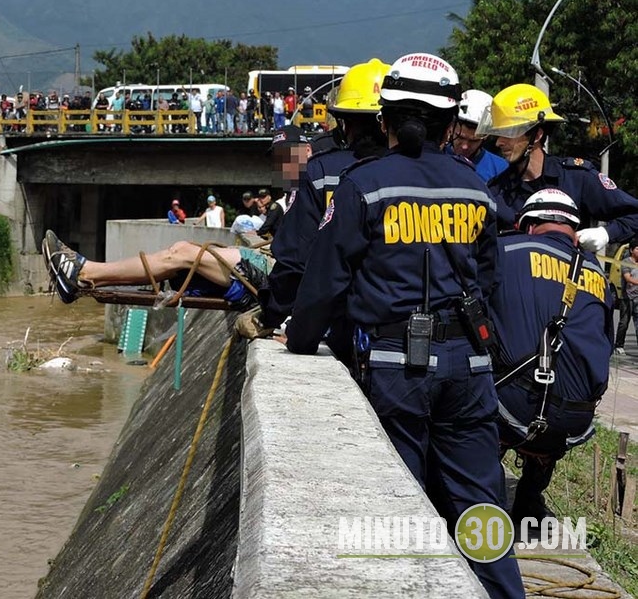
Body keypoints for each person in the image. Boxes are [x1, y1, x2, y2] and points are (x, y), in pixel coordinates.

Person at [285, 53, 523, 598]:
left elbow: (323, 284)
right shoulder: (474, 188)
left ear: (385, 118)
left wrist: (298, 341)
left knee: (400, 512)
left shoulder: (363, 184)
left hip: (397, 368)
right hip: (469, 368)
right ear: (449, 122)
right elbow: (489, 280)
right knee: (481, 512)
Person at [490, 188, 613, 526]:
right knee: (565, 380)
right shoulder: (600, 277)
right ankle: (530, 497)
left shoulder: (505, 249)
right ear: (575, 233)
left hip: (511, 406)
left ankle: (482, 494)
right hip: (574, 420)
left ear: (528, 225)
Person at [259, 58, 391, 334]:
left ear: (343, 122)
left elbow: (295, 260)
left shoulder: (320, 173)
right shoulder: (425, 176)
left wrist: (273, 316)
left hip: (337, 326)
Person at [478, 83, 638, 249]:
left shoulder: (576, 178)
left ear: (537, 134)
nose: (499, 142)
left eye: (508, 133)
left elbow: (634, 214)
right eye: (498, 134)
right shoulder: (496, 192)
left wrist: (606, 234)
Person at [42, 230, 270, 311]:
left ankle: (84, 273)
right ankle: (83, 281)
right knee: (182, 260)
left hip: (270, 273)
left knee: (182, 253)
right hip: (272, 264)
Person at [447, 89, 508, 182]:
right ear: (451, 127)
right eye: (460, 137)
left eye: (473, 141)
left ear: (486, 136)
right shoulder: (435, 156)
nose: (465, 146)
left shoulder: (500, 169)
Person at [615, 240, 638, 354]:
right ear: (631, 250)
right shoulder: (626, 262)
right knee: (624, 322)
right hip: (627, 298)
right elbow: (628, 278)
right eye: (637, 249)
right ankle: (619, 345)